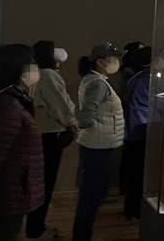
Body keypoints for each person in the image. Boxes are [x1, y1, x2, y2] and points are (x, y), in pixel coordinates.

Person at [0, 44, 44, 241]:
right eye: (32, 63)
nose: (36, 68)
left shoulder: (13, 100)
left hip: (10, 193)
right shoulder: (8, 107)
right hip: (5, 196)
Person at [73, 43, 125, 241]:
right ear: (101, 62)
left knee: (95, 191)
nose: (117, 62)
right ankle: (82, 236)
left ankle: (84, 234)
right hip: (97, 145)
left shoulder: (96, 80)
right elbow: (86, 117)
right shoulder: (98, 84)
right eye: (113, 58)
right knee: (91, 195)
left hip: (98, 144)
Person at [25, 41, 76, 240]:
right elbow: (60, 105)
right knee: (46, 182)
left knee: (40, 182)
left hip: (40, 132)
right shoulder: (48, 75)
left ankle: (35, 226)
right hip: (51, 134)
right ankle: (36, 229)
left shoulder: (34, 73)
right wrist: (73, 122)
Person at [122, 46, 151, 220]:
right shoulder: (148, 80)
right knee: (138, 174)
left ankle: (131, 210)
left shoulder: (137, 78)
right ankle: (134, 212)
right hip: (142, 130)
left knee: (134, 172)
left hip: (134, 130)